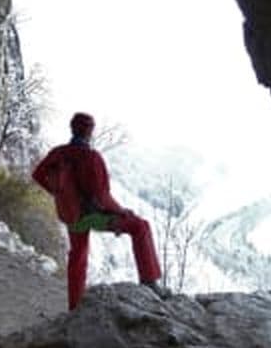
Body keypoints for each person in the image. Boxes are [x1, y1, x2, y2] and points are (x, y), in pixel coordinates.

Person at [32, 112, 171, 310]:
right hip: (92, 217)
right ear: (90, 131)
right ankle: (149, 281)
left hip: (71, 216)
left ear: (72, 129)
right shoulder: (92, 158)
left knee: (78, 257)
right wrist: (122, 212)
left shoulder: (58, 153)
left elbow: (37, 175)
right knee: (140, 227)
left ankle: (74, 306)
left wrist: (56, 193)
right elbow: (102, 197)